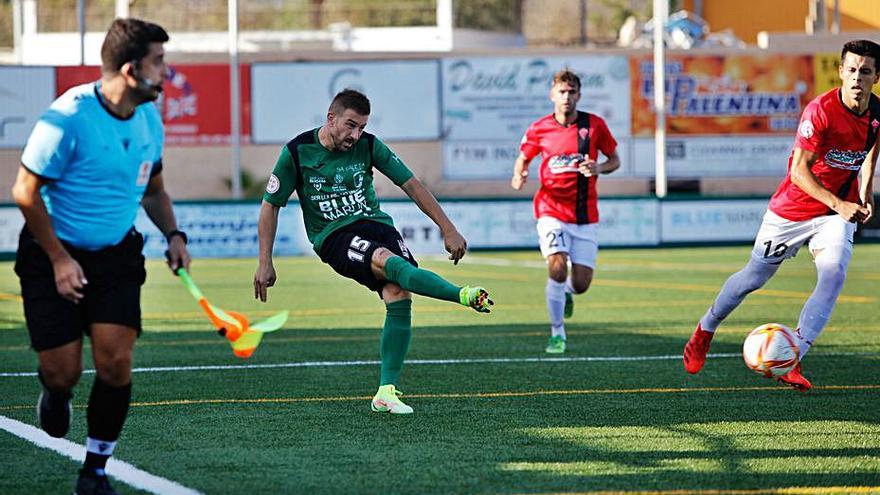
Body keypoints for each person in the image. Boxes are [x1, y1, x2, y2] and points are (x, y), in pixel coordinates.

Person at [11, 18, 189, 495]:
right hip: (52, 254)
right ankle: (54, 391)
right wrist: (58, 260)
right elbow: (25, 192)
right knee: (62, 370)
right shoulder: (67, 117)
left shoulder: (150, 119)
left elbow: (154, 191)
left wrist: (173, 233)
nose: (167, 73)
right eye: (159, 63)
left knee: (115, 364)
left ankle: (94, 470)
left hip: (116, 259)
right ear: (132, 70)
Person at [254, 89, 492, 415]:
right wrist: (264, 261)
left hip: (376, 224)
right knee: (386, 261)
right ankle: (463, 295)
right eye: (350, 125)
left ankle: (386, 392)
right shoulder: (297, 152)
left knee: (398, 291)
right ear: (331, 118)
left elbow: (411, 184)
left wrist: (447, 227)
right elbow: (270, 206)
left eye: (362, 127)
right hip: (333, 235)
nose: (356, 134)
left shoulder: (369, 146)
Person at [683, 39, 880, 391]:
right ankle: (705, 329)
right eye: (850, 70)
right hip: (793, 210)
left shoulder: (877, 113)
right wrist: (840, 203)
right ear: (840, 72)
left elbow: (868, 156)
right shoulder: (820, 111)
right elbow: (799, 173)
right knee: (752, 279)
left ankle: (793, 358)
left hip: (835, 215)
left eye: (864, 71)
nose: (856, 78)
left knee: (833, 275)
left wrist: (865, 195)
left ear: (876, 77)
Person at [511, 69, 621, 354]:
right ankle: (557, 333)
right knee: (557, 267)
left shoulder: (594, 126)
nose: (567, 97)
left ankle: (567, 294)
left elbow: (615, 160)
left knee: (581, 283)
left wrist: (599, 167)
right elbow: (523, 158)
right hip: (551, 211)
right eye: (562, 92)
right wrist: (519, 174)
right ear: (552, 95)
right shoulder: (539, 129)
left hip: (585, 216)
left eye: (572, 92)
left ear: (579, 95)